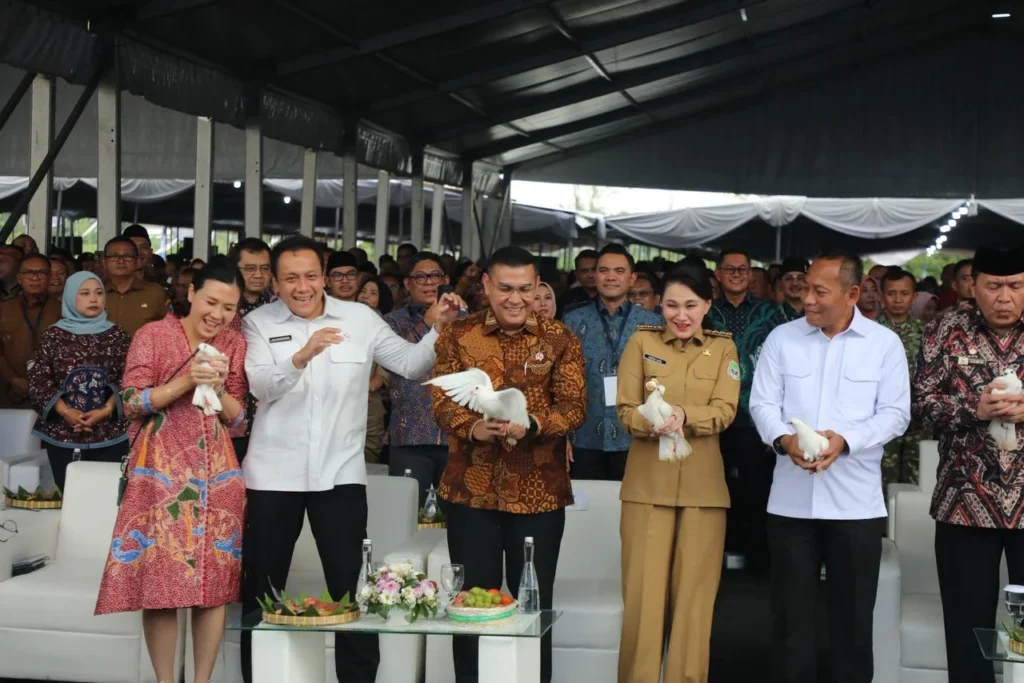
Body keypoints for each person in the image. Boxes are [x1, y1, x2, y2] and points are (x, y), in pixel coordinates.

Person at [239, 236, 463, 683]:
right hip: (272, 474)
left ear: (324, 276)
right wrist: (302, 356)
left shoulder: (360, 318)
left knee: (351, 584)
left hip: (340, 472)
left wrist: (438, 327)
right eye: (290, 279)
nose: (302, 287)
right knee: (262, 584)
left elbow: (410, 364)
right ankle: (258, 675)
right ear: (275, 283)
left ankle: (358, 678)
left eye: (310, 276)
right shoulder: (257, 323)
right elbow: (261, 386)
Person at [750, 251, 910, 683]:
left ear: (852, 294)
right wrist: (784, 440)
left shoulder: (883, 344)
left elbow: (896, 414)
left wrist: (846, 441)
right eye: (806, 289)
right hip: (790, 503)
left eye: (820, 292)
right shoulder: (782, 339)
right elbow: (762, 403)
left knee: (853, 624)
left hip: (856, 506)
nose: (808, 300)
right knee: (791, 623)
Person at [431, 246, 586, 683]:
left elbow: (574, 406)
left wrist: (533, 424)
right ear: (486, 285)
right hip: (471, 492)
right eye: (504, 288)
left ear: (537, 287)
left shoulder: (560, 338)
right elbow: (441, 400)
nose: (515, 299)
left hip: (540, 493)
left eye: (524, 289)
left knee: (533, 604)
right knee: (471, 605)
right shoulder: (458, 335)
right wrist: (473, 428)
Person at [94, 257, 248, 683]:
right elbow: (130, 401)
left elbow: (239, 419)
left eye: (229, 308)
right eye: (212, 302)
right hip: (160, 475)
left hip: (217, 477)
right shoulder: (154, 335)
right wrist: (186, 381)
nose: (218, 315)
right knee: (159, 586)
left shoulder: (234, 343)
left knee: (213, 589)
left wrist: (219, 387)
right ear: (192, 293)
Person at [615, 268, 739, 683]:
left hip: (704, 491)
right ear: (659, 305)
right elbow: (625, 408)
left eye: (690, 305)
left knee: (694, 606)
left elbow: (726, 409)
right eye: (671, 305)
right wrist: (650, 421)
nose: (681, 315)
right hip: (646, 488)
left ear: (707, 305)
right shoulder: (641, 342)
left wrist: (685, 416)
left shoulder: (723, 348)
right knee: (643, 603)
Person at [912, 245, 1024, 683]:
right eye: (993, 286)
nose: (1004, 297)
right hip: (964, 502)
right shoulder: (944, 329)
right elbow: (918, 405)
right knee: (967, 629)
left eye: (1016, 286)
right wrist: (972, 409)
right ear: (972, 285)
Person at [709, 249, 784, 574]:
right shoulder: (706, 311)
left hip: (757, 418)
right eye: (730, 269)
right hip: (713, 418)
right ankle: (717, 563)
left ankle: (758, 566)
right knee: (716, 490)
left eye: (743, 269)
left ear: (751, 274)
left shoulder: (770, 313)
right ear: (718, 274)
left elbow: (784, 366)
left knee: (757, 491)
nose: (737, 274)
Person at [564, 244, 661, 481]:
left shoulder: (653, 323)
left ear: (632, 278)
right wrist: (562, 435)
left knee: (631, 501)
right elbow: (562, 380)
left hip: (636, 433)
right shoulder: (573, 320)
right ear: (595, 276)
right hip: (584, 434)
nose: (611, 277)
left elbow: (662, 377)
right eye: (604, 270)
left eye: (619, 271)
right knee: (587, 500)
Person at [28, 272, 131, 491]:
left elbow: (130, 378)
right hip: (62, 433)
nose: (93, 299)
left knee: (105, 496)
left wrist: (106, 410)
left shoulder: (118, 336)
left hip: (110, 433)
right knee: (68, 496)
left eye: (99, 293)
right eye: (84, 293)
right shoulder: (53, 336)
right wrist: (66, 411)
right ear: (70, 297)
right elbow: (39, 380)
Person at [384, 252, 454, 506]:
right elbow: (400, 360)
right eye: (420, 277)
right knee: (405, 514)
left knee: (456, 518)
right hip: (409, 435)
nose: (429, 282)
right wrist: (428, 322)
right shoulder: (392, 322)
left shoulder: (464, 320)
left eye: (435, 276)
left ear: (446, 280)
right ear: (407, 284)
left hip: (456, 437)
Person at [879, 267, 927, 486]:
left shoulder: (927, 333)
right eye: (891, 293)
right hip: (880, 418)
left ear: (914, 296)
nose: (898, 299)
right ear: (882, 296)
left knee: (916, 481)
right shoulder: (869, 333)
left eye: (904, 293)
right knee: (882, 480)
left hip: (918, 418)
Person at [0, 254, 61, 408]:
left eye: (41, 273)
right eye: (29, 273)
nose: (35, 278)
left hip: (52, 394)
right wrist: (12, 379)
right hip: (9, 393)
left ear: (49, 278)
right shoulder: (4, 308)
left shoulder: (62, 310)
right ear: (19, 278)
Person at [357, 276, 394, 464]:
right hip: (341, 400)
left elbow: (385, 370)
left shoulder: (386, 326)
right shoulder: (345, 322)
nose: (365, 296)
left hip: (371, 402)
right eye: (363, 291)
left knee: (369, 455)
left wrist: (372, 385)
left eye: (373, 293)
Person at [102, 237, 168, 337]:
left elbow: (170, 330)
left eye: (128, 256)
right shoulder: (95, 292)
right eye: (114, 256)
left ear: (136, 261)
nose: (121, 261)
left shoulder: (155, 293)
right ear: (104, 262)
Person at [557, 249, 599, 318]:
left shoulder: (612, 298)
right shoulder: (565, 300)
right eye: (584, 271)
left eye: (594, 269)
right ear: (576, 275)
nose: (590, 275)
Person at [777, 257, 808, 322]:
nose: (795, 283)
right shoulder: (767, 316)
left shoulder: (820, 314)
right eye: (788, 278)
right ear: (781, 283)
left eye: (801, 278)